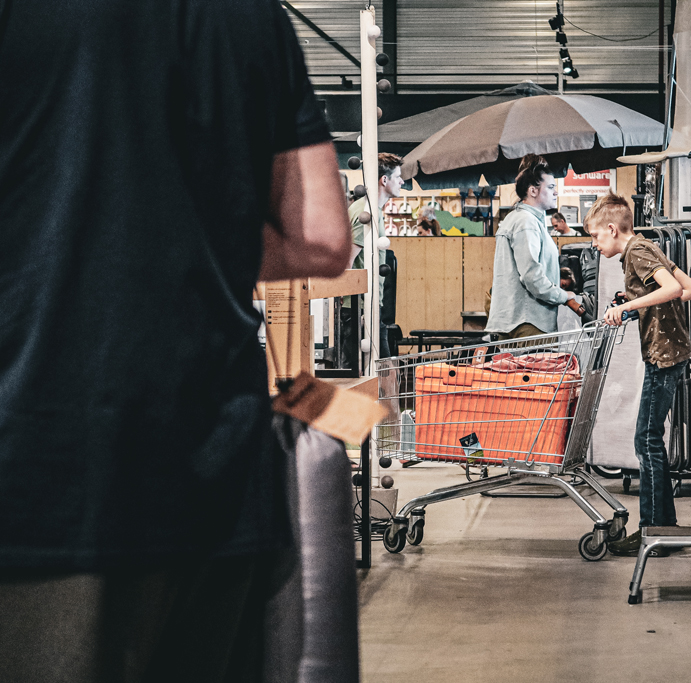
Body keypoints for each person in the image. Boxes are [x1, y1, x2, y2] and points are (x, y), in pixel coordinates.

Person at [0, 1, 352, 681]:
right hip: (215, 475)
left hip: (41, 481)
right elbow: (323, 235)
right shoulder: (253, 18)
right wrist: (186, 228)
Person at [584, 193, 691, 557]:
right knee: (650, 439)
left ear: (611, 228)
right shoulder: (644, 248)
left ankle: (653, 531)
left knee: (646, 441)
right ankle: (663, 526)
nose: (594, 243)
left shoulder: (637, 250)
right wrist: (636, 299)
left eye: (596, 237)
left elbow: (673, 290)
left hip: (663, 357)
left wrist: (630, 306)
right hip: (670, 354)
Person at [485, 155, 584, 339]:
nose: (556, 193)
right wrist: (564, 296)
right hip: (528, 323)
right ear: (532, 190)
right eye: (551, 187)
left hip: (523, 321)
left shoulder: (524, 220)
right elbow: (533, 278)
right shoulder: (526, 222)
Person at [340, 152, 404, 367]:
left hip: (365, 306)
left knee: (380, 372)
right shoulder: (365, 212)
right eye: (398, 177)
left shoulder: (371, 210)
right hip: (358, 308)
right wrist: (348, 305)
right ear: (384, 180)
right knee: (378, 373)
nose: (402, 181)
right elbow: (347, 262)